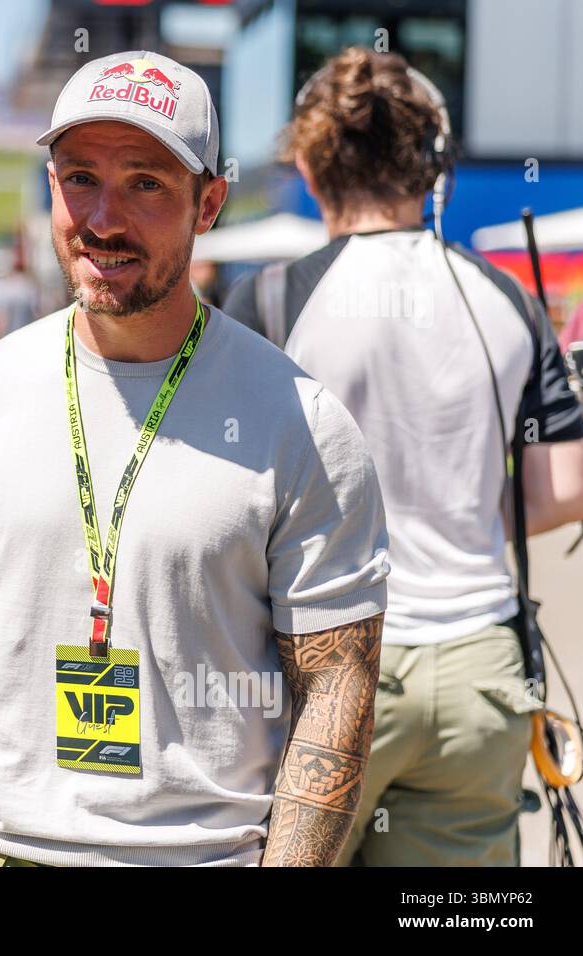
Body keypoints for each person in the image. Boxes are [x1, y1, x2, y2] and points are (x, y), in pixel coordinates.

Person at [0, 50, 390, 868]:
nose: (102, 218)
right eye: (79, 178)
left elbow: (336, 688)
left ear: (208, 202)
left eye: (145, 183)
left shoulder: (301, 422)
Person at [223, 48, 583, 866]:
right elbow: (560, 489)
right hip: (479, 673)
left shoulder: (272, 298)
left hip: (321, 670)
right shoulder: (505, 297)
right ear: (436, 168)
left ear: (311, 169)